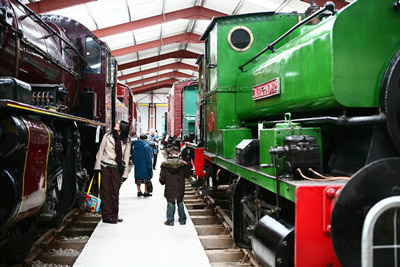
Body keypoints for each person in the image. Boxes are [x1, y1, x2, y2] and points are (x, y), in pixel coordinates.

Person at [94, 121, 131, 224]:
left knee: (115, 192)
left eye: (118, 124)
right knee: (105, 191)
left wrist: (125, 173)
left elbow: (126, 158)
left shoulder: (126, 141)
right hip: (105, 165)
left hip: (117, 168)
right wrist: (97, 167)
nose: (116, 124)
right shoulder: (107, 136)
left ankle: (114, 215)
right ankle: (106, 216)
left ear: (122, 128)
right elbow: (100, 151)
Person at [159, 149, 191, 226]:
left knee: (170, 203)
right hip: (180, 186)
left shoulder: (164, 165)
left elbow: (162, 178)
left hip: (169, 187)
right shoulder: (182, 164)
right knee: (180, 203)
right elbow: (187, 174)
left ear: (169, 155)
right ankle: (182, 220)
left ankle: (170, 221)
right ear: (178, 154)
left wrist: (162, 182)